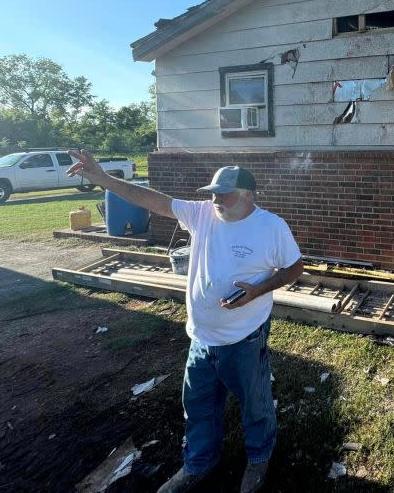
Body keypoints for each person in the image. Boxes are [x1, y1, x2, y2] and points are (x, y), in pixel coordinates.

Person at [66, 151, 304, 493]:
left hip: (244, 337)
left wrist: (259, 290)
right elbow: (154, 200)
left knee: (256, 403)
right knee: (198, 406)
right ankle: (198, 463)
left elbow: (294, 268)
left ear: (248, 195)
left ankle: (258, 458)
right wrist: (103, 179)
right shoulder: (202, 214)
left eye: (224, 193)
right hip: (202, 337)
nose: (216, 199)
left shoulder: (270, 226)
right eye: (213, 192)